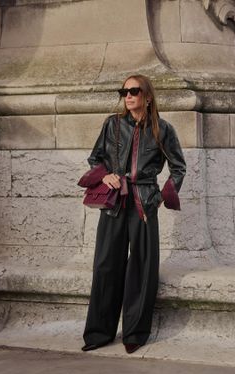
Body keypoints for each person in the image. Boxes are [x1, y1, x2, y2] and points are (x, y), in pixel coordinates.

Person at [80, 74, 186, 354]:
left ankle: (135, 333)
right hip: (114, 204)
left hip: (143, 205)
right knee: (106, 265)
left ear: (147, 96)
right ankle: (99, 332)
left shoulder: (162, 130)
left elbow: (178, 168)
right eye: (124, 91)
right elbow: (96, 159)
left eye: (134, 91)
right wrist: (105, 177)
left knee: (141, 267)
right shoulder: (112, 124)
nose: (128, 96)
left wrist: (164, 196)